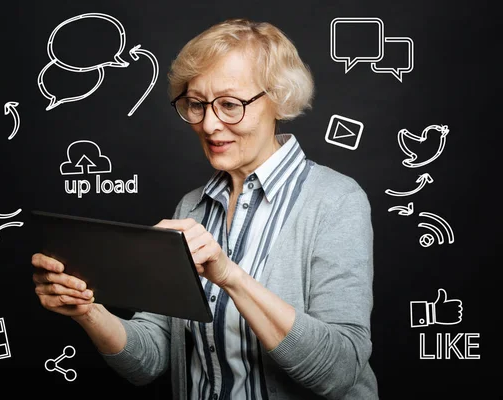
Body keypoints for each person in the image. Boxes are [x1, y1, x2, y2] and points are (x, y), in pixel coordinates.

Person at [31, 18, 379, 399]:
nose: (210, 124)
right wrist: (86, 310)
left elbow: (341, 370)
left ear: (279, 98)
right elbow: (150, 359)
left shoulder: (336, 200)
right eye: (196, 104)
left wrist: (229, 275)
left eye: (230, 105)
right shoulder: (191, 207)